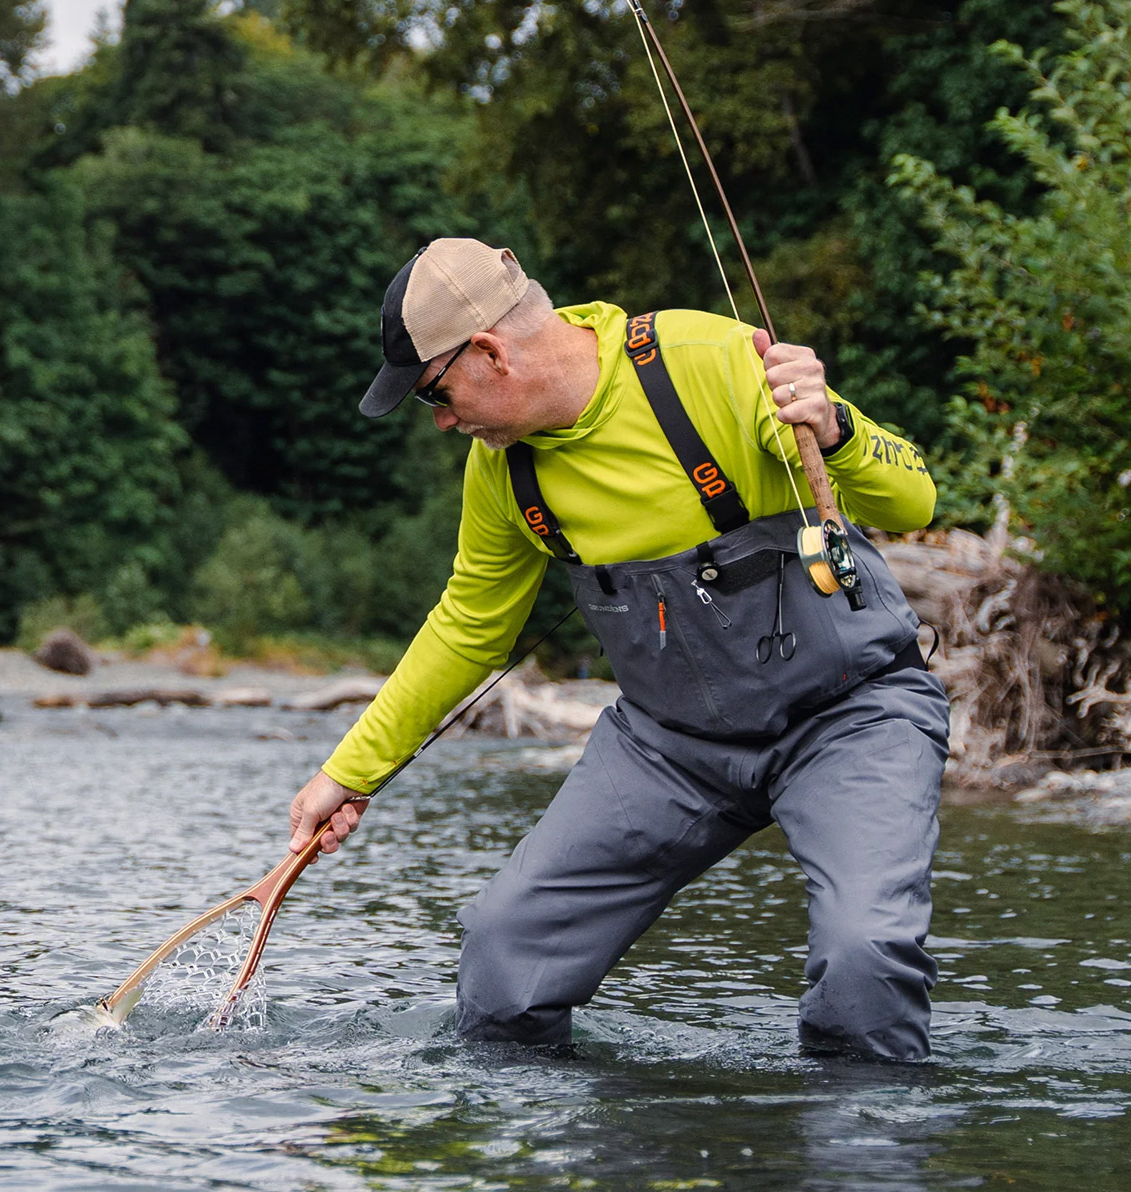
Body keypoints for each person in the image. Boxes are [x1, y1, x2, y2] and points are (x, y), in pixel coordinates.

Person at [289, 237, 950, 1061]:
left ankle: (865, 1136)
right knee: (503, 960)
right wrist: (349, 773)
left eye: (436, 393)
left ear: (489, 352)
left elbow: (915, 499)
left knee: (864, 961)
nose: (444, 421)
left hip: (852, 716)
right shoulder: (503, 472)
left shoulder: (708, 360)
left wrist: (840, 428)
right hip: (671, 747)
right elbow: (468, 627)